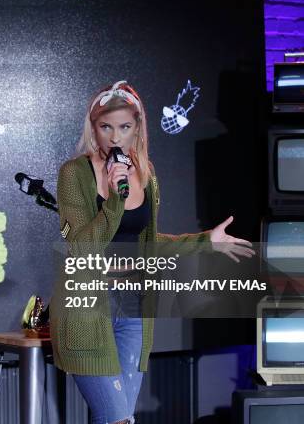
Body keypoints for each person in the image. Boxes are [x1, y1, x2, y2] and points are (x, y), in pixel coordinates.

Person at [49, 81, 254, 424]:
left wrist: (205, 241)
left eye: (125, 127)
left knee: (122, 418)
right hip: (86, 308)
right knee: (116, 419)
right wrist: (115, 198)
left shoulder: (146, 175)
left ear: (138, 129)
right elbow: (82, 246)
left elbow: (148, 244)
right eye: (106, 127)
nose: (115, 137)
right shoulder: (74, 173)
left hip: (133, 306)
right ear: (93, 129)